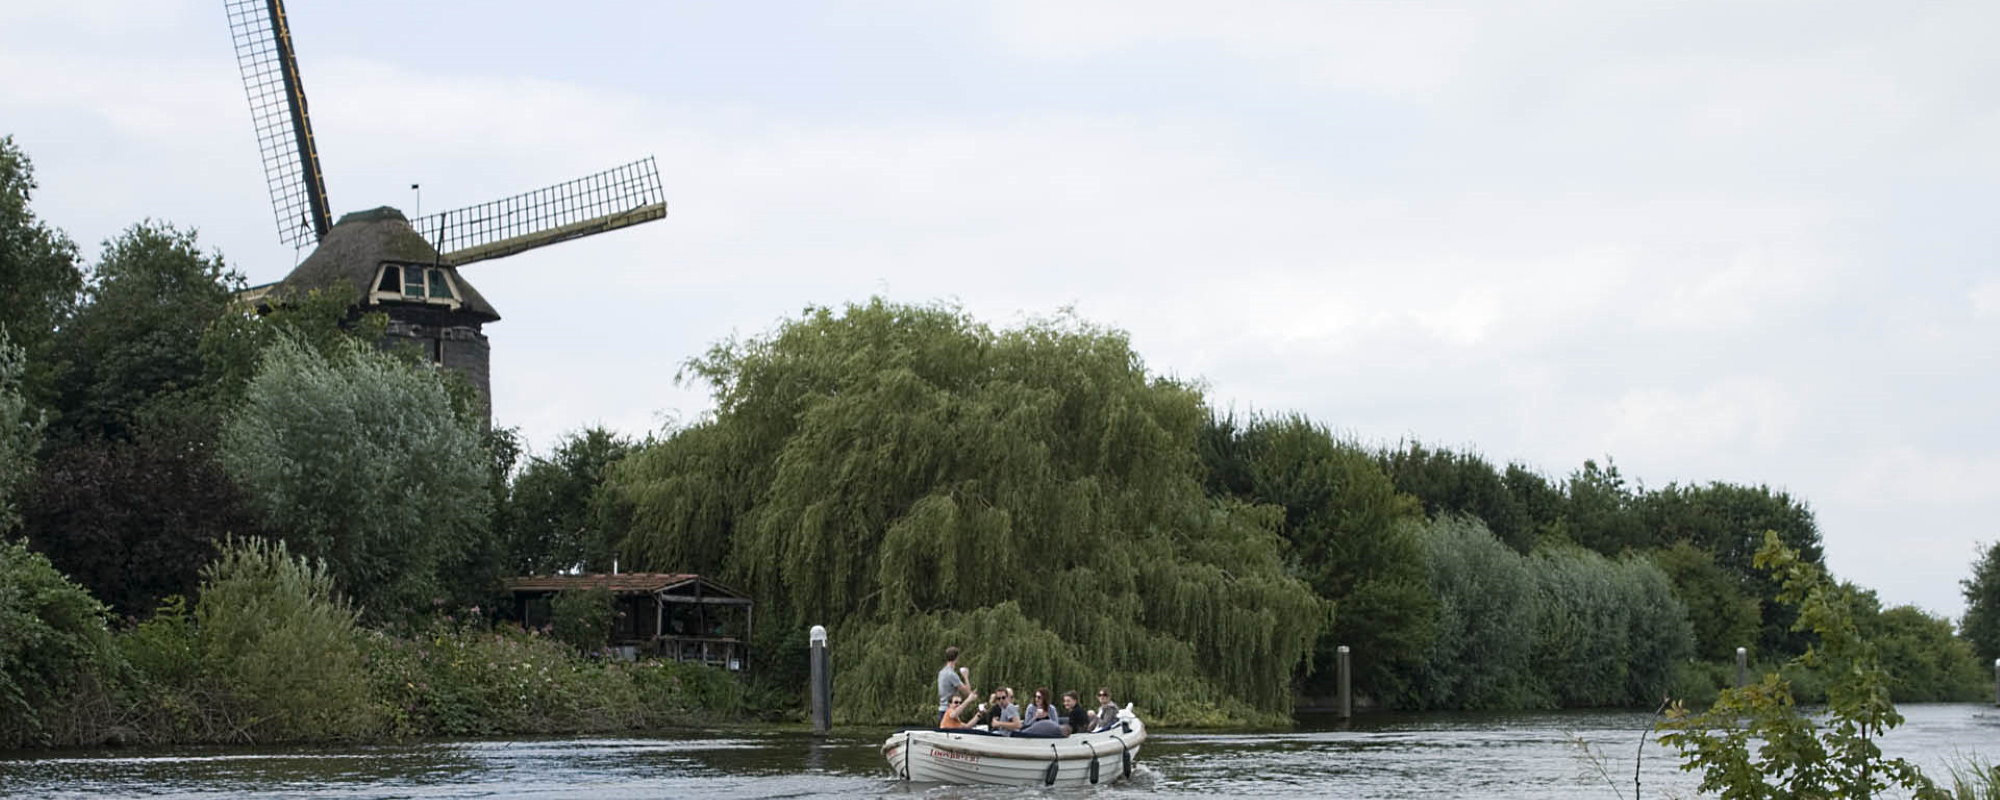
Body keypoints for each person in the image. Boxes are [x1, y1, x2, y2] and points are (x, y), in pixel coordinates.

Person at [936, 646, 972, 725]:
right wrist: (966, 676)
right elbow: (967, 693)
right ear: (957, 658)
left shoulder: (941, 673)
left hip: (941, 710)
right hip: (949, 712)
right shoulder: (952, 675)